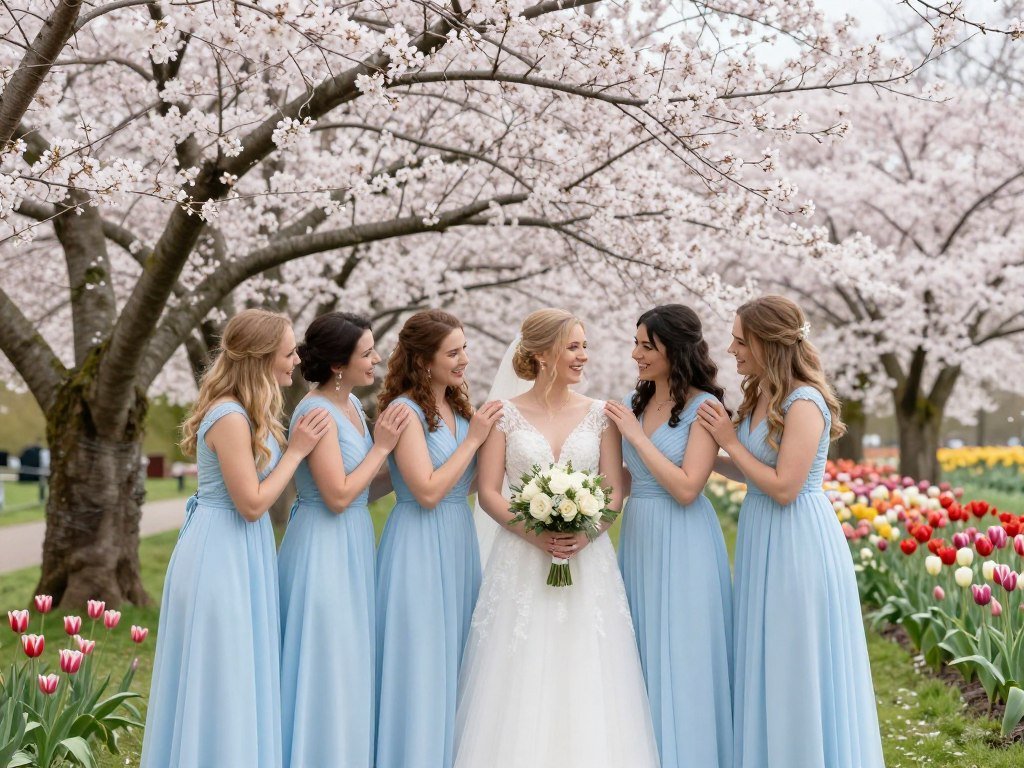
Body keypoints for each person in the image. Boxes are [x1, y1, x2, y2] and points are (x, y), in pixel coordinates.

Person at [453, 308, 659, 768]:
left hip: (588, 561)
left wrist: (585, 535)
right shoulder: (501, 415)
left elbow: (613, 491)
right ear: (543, 354)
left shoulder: (601, 415)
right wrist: (534, 534)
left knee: (588, 667)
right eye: (573, 347)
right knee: (519, 671)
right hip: (521, 559)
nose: (584, 356)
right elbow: (489, 492)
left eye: (585, 346)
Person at [696, 295, 884, 768]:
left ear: (767, 343)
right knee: (767, 654)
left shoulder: (805, 402)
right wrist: (700, 460)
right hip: (761, 535)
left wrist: (729, 441)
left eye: (741, 341)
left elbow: (784, 487)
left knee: (795, 655)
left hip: (797, 540)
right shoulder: (760, 394)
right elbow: (753, 470)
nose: (732, 349)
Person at [142, 308, 330, 768]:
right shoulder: (229, 416)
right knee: (220, 670)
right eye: (289, 353)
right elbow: (251, 502)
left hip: (242, 548)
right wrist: (296, 452)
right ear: (261, 357)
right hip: (219, 552)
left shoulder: (247, 413)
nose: (297, 361)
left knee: (239, 668)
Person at [278, 312, 411, 767]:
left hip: (353, 540)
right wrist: (383, 447)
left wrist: (410, 473)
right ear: (338, 364)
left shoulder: (352, 404)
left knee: (349, 657)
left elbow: (363, 488)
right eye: (367, 353)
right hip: (322, 544)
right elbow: (337, 496)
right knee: (326, 658)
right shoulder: (316, 412)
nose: (378, 359)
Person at [604, 304, 733, 768]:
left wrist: (635, 438)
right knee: (640, 649)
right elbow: (623, 478)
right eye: (635, 343)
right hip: (639, 532)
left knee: (684, 650)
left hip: (685, 539)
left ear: (675, 350)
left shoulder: (705, 408)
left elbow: (686, 487)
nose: (635, 354)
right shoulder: (633, 402)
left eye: (647, 346)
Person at [374, 309, 502, 768]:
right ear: (423, 361)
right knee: (421, 658)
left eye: (464, 348)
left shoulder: (459, 410)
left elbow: (460, 484)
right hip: (418, 543)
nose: (464, 359)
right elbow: (427, 491)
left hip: (457, 539)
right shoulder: (404, 411)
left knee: (459, 655)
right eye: (453, 352)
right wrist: (473, 443)